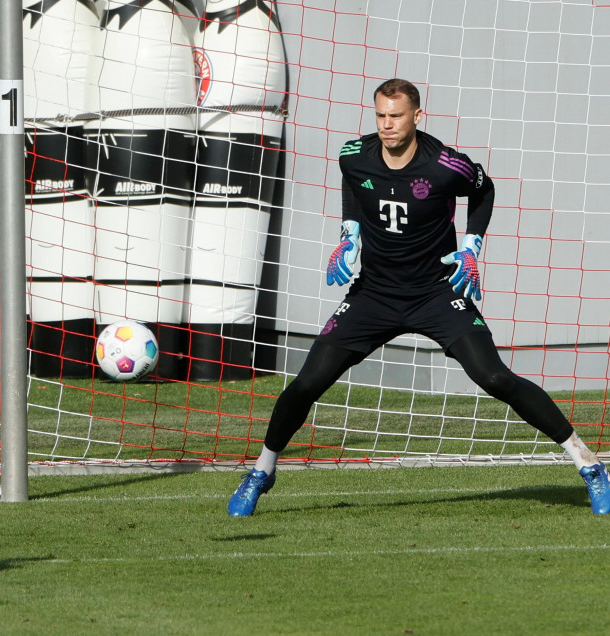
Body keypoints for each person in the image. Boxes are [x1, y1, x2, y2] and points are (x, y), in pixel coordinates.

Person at [227, 78, 610, 517]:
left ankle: (589, 464)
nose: (387, 125)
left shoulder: (447, 165)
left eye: (396, 116)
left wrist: (471, 247)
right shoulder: (354, 155)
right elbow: (354, 183)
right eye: (381, 116)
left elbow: (484, 192)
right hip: (373, 294)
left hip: (436, 293)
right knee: (307, 382)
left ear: (417, 117)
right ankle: (262, 471)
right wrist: (349, 233)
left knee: (494, 377)